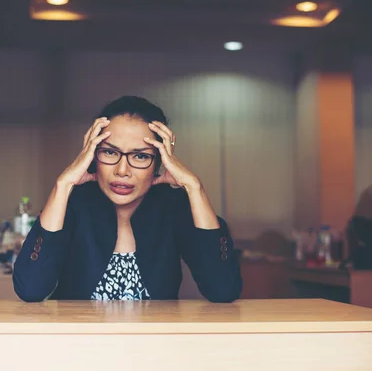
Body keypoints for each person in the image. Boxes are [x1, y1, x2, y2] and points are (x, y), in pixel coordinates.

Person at [13, 96, 242, 302]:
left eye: (141, 156)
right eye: (110, 152)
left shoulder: (172, 205)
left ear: (159, 161)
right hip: (80, 345)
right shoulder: (74, 203)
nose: (123, 170)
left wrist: (195, 188)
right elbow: (31, 289)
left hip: (155, 345)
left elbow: (222, 290)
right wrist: (62, 187)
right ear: (92, 155)